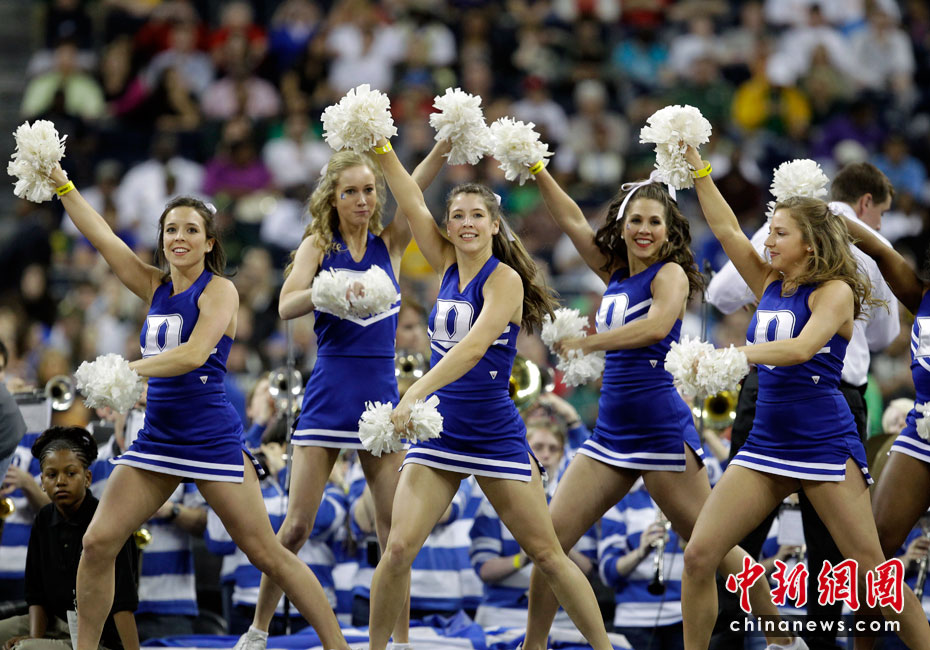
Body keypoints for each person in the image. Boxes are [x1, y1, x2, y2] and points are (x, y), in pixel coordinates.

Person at [45, 165, 353, 650]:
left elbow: (193, 354)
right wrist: (63, 185)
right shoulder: (154, 286)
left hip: (210, 440)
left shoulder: (220, 290)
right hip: (158, 439)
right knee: (97, 542)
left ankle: (338, 646)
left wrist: (127, 370)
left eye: (191, 230)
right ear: (162, 239)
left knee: (266, 553)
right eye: (171, 230)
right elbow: (103, 238)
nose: (180, 238)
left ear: (209, 242)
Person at [521, 162, 795, 650]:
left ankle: (782, 640)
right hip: (610, 435)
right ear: (622, 225)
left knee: (716, 551)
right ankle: (534, 646)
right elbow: (573, 221)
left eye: (654, 222)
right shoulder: (615, 271)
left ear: (669, 232)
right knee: (548, 545)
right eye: (636, 220)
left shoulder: (670, 275)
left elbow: (657, 326)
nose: (644, 230)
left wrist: (590, 342)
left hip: (661, 434)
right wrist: (539, 168)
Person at [365, 135, 612, 650]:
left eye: (478, 215)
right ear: (448, 224)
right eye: (457, 216)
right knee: (398, 549)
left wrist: (415, 392)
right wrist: (382, 142)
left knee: (548, 555)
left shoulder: (506, 281)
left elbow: (474, 348)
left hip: (493, 432)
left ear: (495, 225)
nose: (467, 224)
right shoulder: (444, 262)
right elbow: (409, 198)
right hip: (441, 432)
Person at [680, 144, 930, 649]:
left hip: (823, 443)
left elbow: (800, 349)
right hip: (766, 441)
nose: (768, 240)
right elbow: (727, 231)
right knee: (699, 555)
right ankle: (773, 641)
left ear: (810, 245)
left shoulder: (835, 291)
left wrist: (735, 355)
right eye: (770, 231)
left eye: (779, 233)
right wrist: (698, 168)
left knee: (872, 573)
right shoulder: (770, 281)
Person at [232, 141, 452, 650]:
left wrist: (444, 143)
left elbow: (413, 187)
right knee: (295, 527)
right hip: (328, 396)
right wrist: (325, 292)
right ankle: (258, 629)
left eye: (369, 190)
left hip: (381, 401)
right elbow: (286, 305)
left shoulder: (390, 243)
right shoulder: (318, 245)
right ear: (332, 197)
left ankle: (399, 643)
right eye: (350, 191)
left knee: (394, 534)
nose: (362, 200)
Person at [838, 208, 930, 650]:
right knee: (869, 555)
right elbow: (875, 246)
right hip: (922, 434)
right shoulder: (920, 293)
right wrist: (826, 212)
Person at [0, 426, 137, 650]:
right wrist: (34, 637)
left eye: (71, 473)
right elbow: (36, 594)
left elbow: (123, 601)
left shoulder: (107, 522)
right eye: (52, 475)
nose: (61, 481)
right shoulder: (43, 519)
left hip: (99, 635)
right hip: (54, 623)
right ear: (42, 481)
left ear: (87, 478)